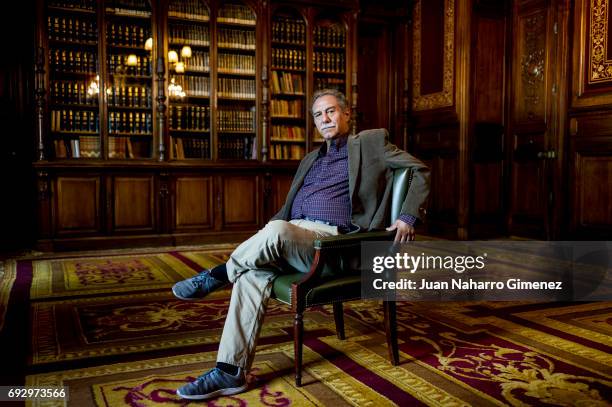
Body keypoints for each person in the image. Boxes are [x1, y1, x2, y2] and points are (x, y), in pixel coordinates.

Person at [173, 89, 430, 400]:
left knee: (277, 231)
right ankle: (231, 370)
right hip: (293, 236)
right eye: (318, 115)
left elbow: (420, 170)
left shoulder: (371, 143)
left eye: (331, 111)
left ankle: (216, 275)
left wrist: (407, 216)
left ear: (347, 114)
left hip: (334, 244)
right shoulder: (310, 159)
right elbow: (286, 213)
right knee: (252, 273)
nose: (325, 119)